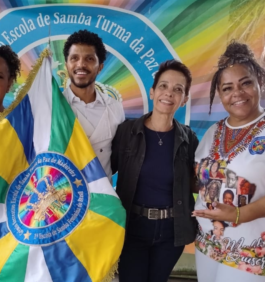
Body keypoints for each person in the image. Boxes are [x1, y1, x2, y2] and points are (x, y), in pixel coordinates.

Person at [111, 60, 199, 282]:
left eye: (178, 89)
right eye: (163, 86)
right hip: (132, 228)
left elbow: (198, 182)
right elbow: (101, 172)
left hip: (171, 233)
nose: (169, 93)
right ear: (152, 92)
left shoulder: (188, 139)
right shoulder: (126, 132)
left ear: (185, 99)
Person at [193, 41, 265, 281]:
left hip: (250, 250)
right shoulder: (213, 131)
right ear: (220, 94)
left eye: (245, 83)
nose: (237, 93)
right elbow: (201, 180)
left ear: (260, 83)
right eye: (227, 88)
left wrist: (238, 215)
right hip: (207, 243)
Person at [62, 30, 125, 183]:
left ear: (100, 67)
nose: (81, 65)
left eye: (89, 59)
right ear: (66, 64)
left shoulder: (115, 108)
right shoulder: (52, 106)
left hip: (102, 201)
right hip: (62, 201)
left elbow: (118, 158)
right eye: (74, 58)